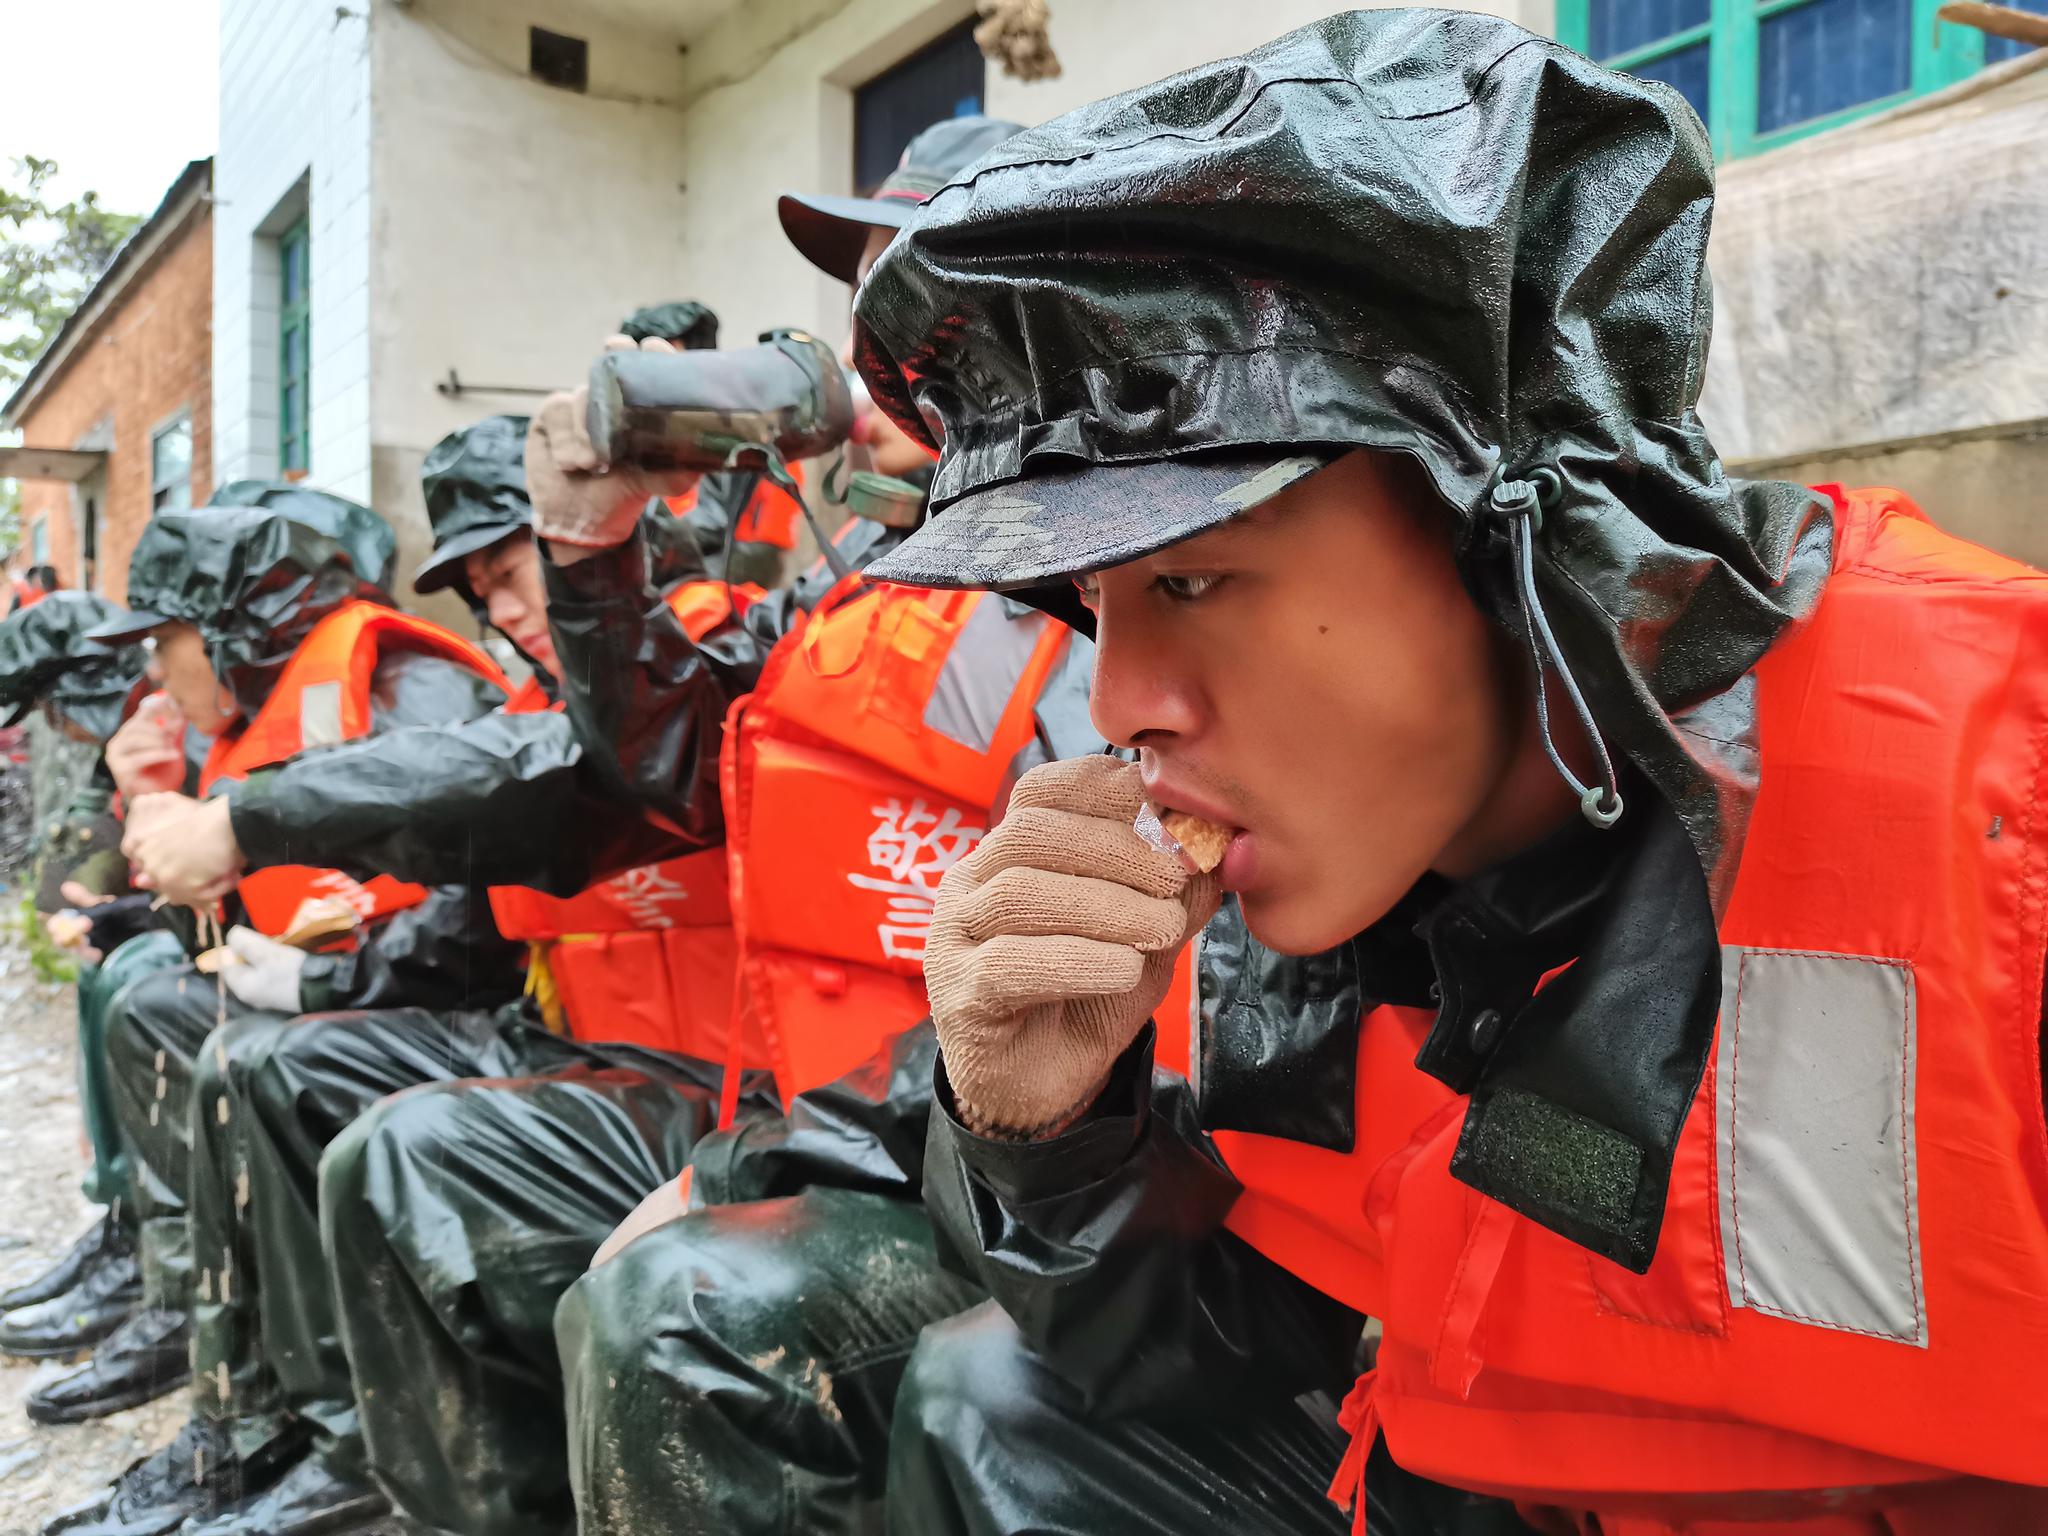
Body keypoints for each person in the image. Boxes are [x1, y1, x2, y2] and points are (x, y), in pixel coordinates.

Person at [836, 11, 2048, 1534]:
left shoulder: (2012, 799)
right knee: (984, 1399)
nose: (1122, 698)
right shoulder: (1319, 851)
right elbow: (1227, 1340)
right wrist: (1044, 1135)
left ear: (1516, 525)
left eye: (1197, 580)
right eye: (1088, 607)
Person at [531, 114, 1126, 1536]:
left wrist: (738, 1171)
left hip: (1032, 1169)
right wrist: (586, 550)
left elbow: (1107, 999)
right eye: (872, 304)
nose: (882, 348)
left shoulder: (1124, 568)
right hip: (828, 1110)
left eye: (912, 294)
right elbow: (673, 763)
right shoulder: (882, 577)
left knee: (674, 1311)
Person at [90, 416, 765, 1536]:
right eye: (483, 589)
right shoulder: (541, 701)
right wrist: (294, 980)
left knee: (393, 1143)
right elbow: (469, 914)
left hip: (704, 1075)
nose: (498, 613)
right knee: (268, 1066)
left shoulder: (707, 665)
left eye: (513, 575)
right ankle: (299, 1429)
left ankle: (459, 1497)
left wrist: (253, 844)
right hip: (566, 1039)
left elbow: (516, 794)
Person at [35, 484, 519, 1534]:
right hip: (375, 991)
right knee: (165, 1002)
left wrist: (313, 984)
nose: (155, 674)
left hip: (469, 1015)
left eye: (166, 644)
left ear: (231, 630)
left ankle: (320, 1425)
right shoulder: (259, 712)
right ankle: (233, 1390)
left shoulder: (407, 688)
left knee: (245, 1054)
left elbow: (471, 916)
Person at [0, 594, 175, 1364]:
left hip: (230, 949)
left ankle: (145, 1246)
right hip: (179, 923)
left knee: (130, 982)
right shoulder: (128, 733)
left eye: (49, 705)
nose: (51, 726)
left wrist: (130, 909)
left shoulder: (173, 717)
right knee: (104, 972)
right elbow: (86, 829)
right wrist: (74, 897)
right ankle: (120, 1215)